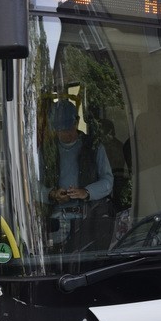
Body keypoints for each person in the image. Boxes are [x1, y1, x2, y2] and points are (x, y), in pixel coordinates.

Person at [41, 99, 113, 250]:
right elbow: (31, 186)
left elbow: (108, 181)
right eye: (62, 130)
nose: (67, 134)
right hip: (56, 222)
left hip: (88, 220)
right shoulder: (46, 151)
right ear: (54, 128)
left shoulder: (94, 146)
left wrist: (86, 192)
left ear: (77, 121)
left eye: (70, 128)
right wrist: (51, 194)